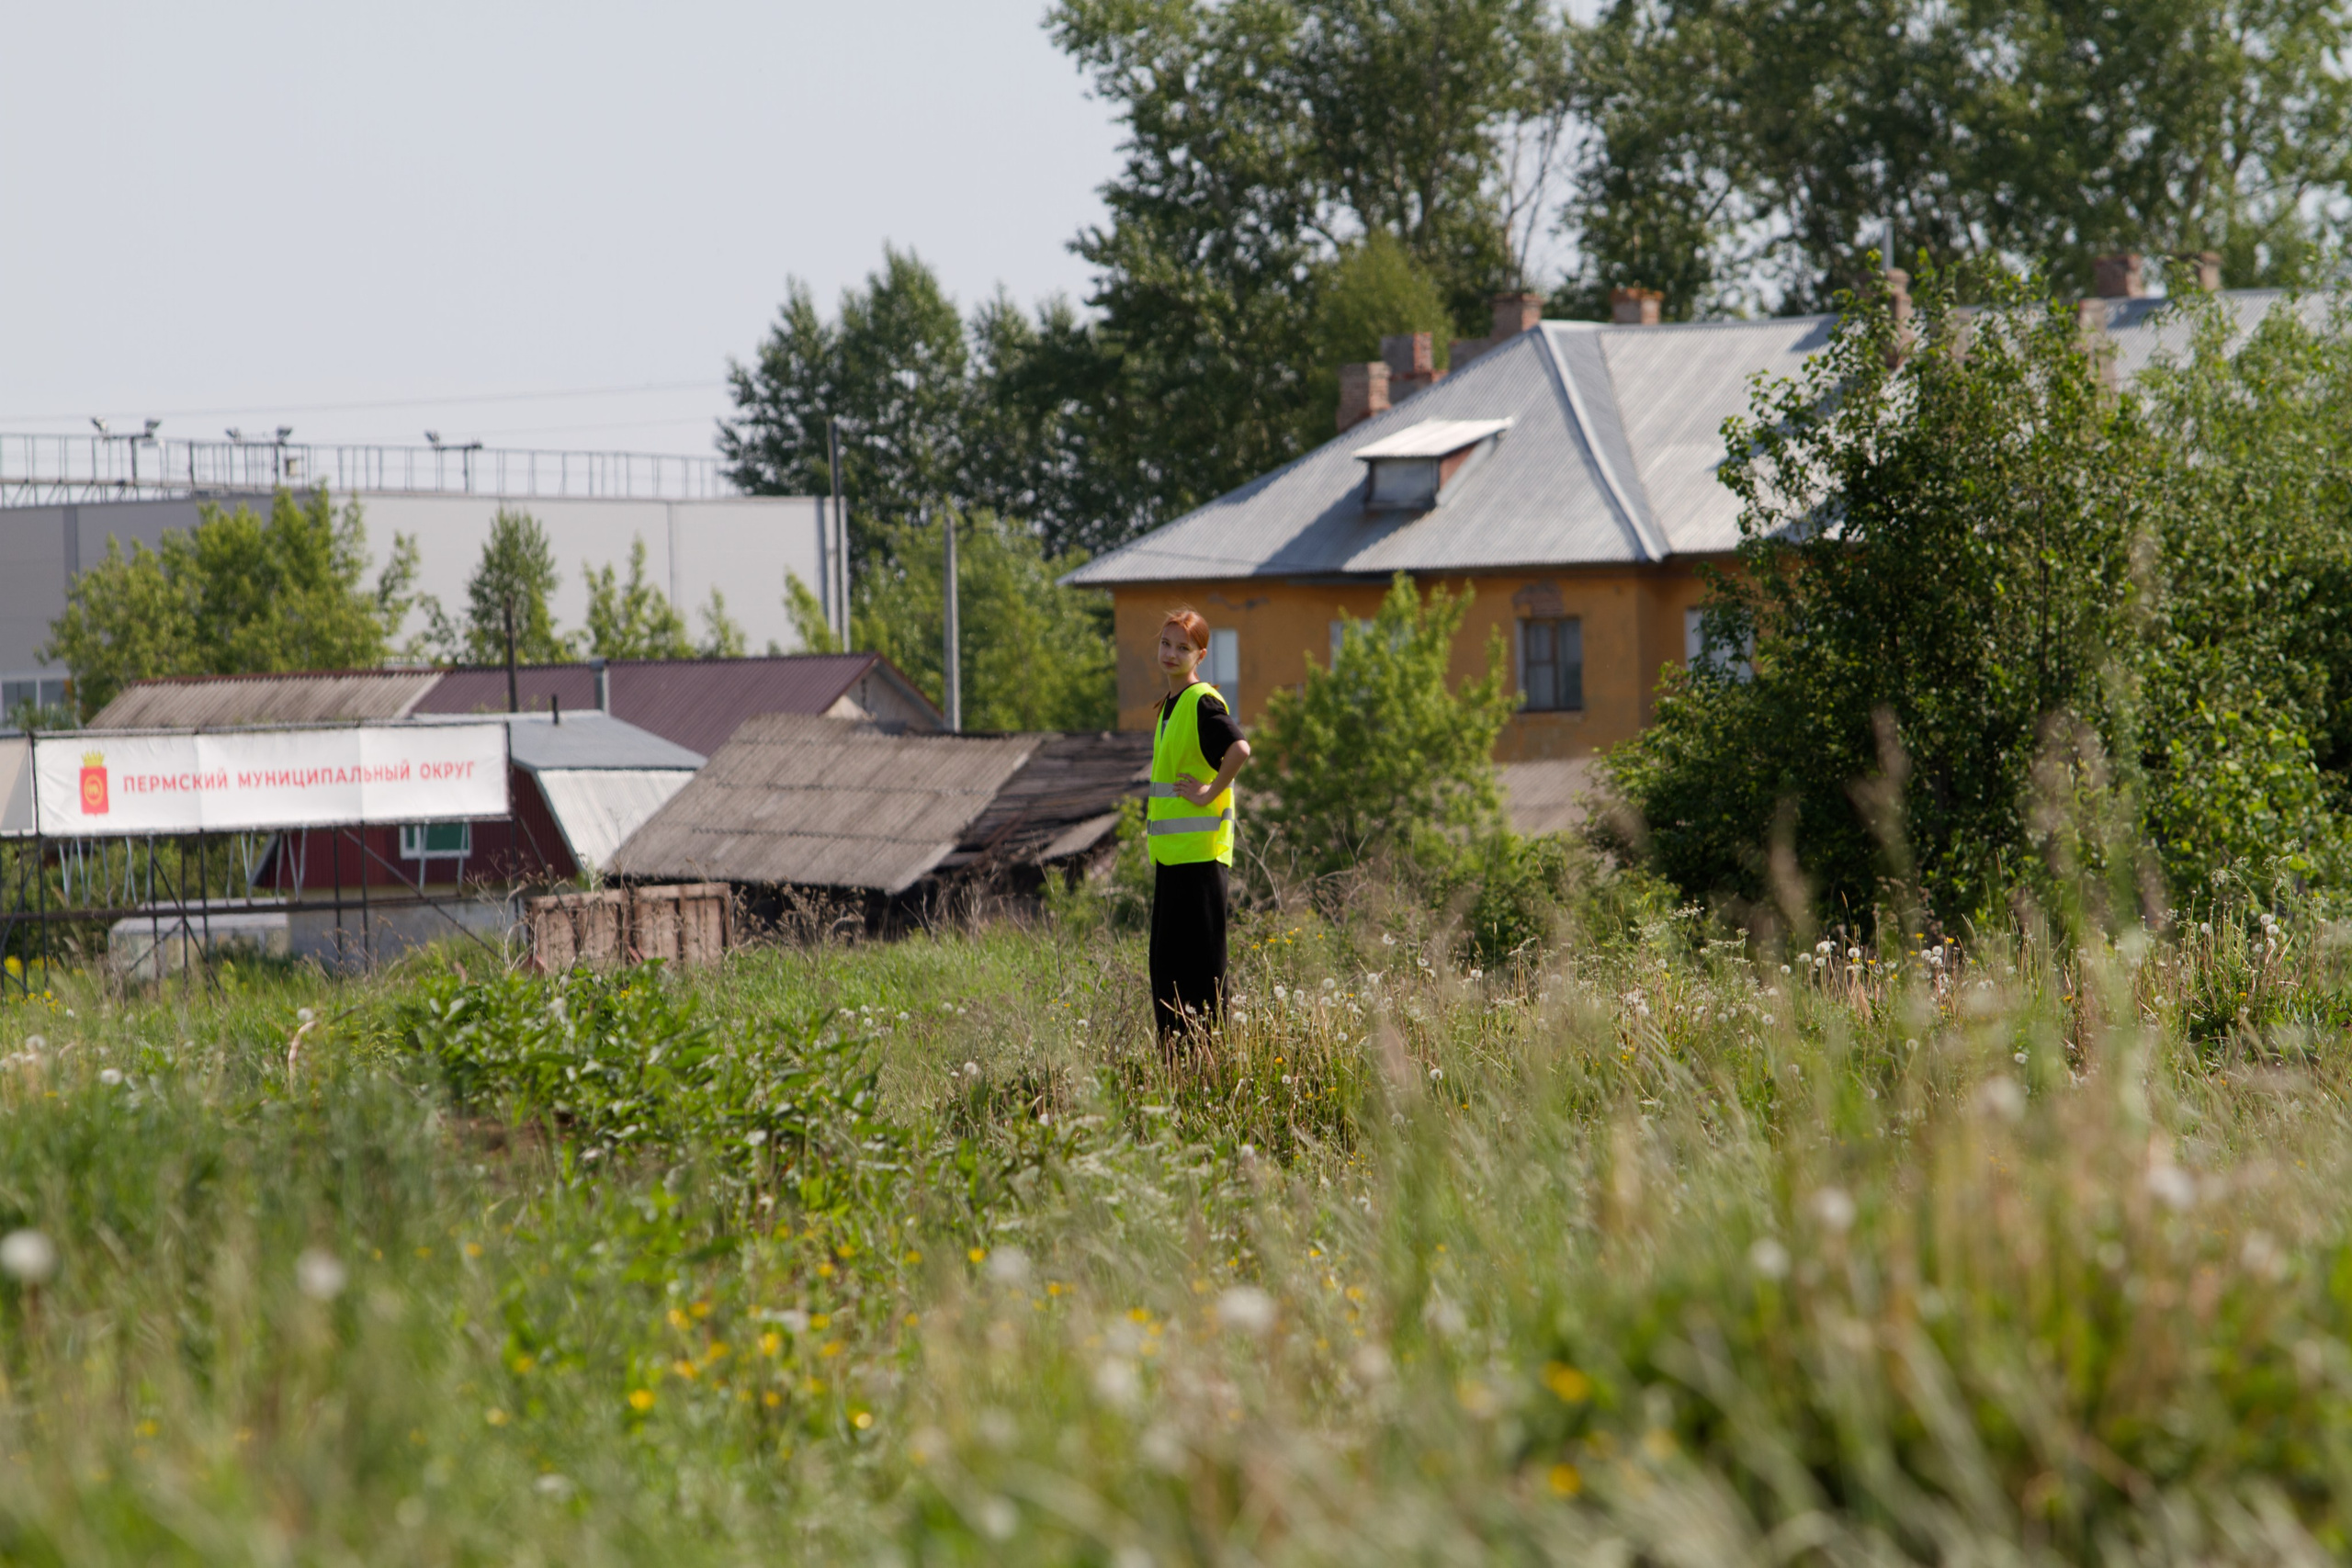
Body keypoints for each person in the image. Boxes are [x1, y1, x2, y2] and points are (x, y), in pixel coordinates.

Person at [1147, 608, 1250, 1044]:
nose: (1171, 653)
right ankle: (1179, 1069)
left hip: (1201, 863)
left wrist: (1208, 793)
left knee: (1202, 978)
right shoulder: (1170, 706)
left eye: (1182, 647)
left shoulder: (1201, 701)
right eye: (1165, 643)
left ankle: (1212, 1066)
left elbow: (1240, 749)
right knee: (1167, 974)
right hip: (1174, 862)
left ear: (1200, 655)